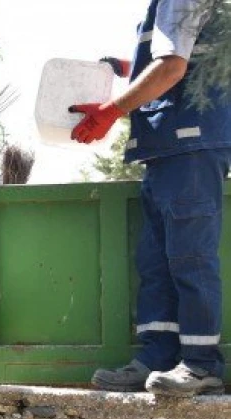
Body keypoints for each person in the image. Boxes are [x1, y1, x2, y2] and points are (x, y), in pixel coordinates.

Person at [77, 0, 231, 396]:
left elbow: (173, 67)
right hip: (166, 149)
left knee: (189, 257)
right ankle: (159, 355)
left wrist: (111, 110)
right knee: (157, 260)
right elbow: (181, 57)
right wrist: (125, 67)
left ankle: (201, 363)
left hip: (189, 145)